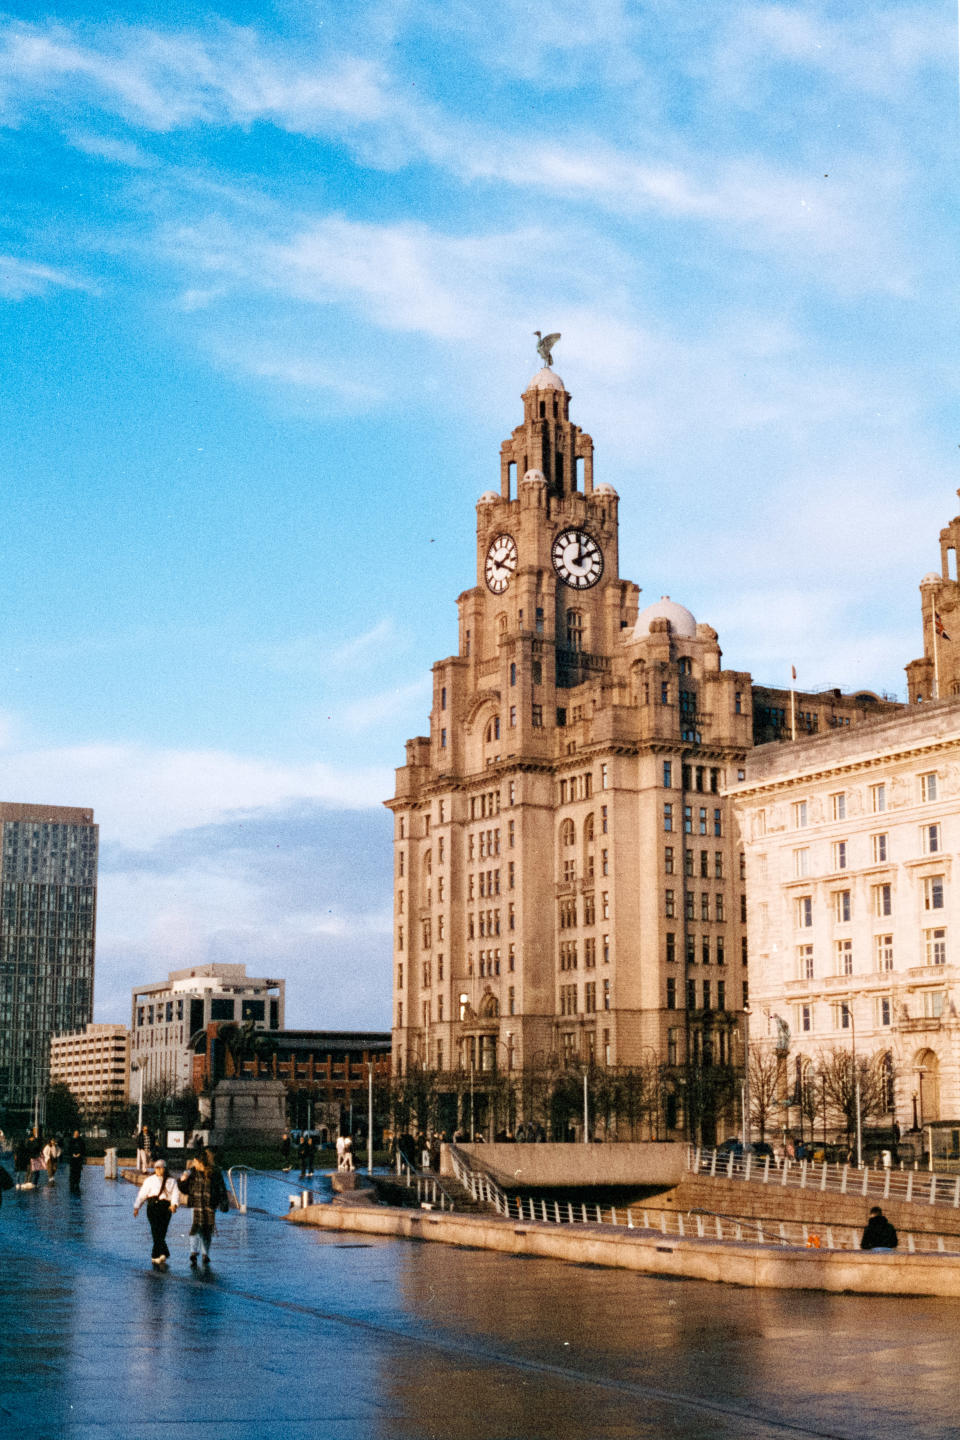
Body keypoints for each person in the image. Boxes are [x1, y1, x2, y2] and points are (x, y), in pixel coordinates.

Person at [179, 1148, 228, 1270]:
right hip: (196, 1205)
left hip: (209, 1204)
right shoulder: (192, 1173)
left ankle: (205, 1253)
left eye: (194, 1161)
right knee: (196, 1227)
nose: (193, 1163)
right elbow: (184, 1189)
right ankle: (193, 1252)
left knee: (207, 1229)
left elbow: (221, 1188)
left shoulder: (214, 1172)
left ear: (199, 1161)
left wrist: (223, 1203)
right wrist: (182, 1181)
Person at [133, 1158, 181, 1269]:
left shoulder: (171, 1181)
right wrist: (137, 1206)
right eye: (157, 1168)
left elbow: (175, 1195)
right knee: (155, 1230)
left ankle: (160, 1254)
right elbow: (142, 1194)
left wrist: (174, 1205)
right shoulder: (149, 1180)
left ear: (165, 1168)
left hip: (166, 1207)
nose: (159, 1170)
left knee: (162, 1230)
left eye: (161, 1168)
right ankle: (157, 1254)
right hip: (152, 1206)